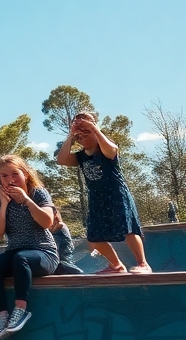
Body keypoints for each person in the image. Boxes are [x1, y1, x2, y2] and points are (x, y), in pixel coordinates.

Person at [57, 112, 151, 274]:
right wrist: (71, 136)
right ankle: (116, 265)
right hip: (96, 198)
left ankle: (143, 264)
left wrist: (93, 128)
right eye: (79, 136)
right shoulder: (80, 156)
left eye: (86, 133)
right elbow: (62, 160)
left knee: (128, 230)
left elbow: (112, 150)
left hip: (116, 194)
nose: (82, 137)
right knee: (94, 238)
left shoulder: (106, 147)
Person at [0, 155, 59, 340]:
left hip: (44, 254)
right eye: (4, 176)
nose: (10, 179)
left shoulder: (38, 193)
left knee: (21, 258)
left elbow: (47, 222)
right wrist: (4, 206)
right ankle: (2, 316)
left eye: (15, 174)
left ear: (25, 174)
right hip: (16, 253)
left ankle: (21, 310)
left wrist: (26, 200)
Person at [49, 208, 82, 275]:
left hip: (64, 261)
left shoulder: (60, 225)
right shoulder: (50, 227)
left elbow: (55, 247)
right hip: (58, 261)